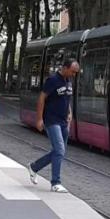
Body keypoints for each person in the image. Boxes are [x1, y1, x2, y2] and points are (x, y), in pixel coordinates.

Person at [28, 60, 79, 193]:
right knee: (60, 150)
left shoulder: (68, 81)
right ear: (65, 68)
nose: (74, 74)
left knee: (58, 152)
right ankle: (55, 182)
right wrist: (39, 119)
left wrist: (70, 113)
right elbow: (41, 98)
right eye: (72, 71)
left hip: (63, 121)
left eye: (75, 72)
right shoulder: (53, 80)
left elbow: (66, 98)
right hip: (52, 120)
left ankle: (34, 167)